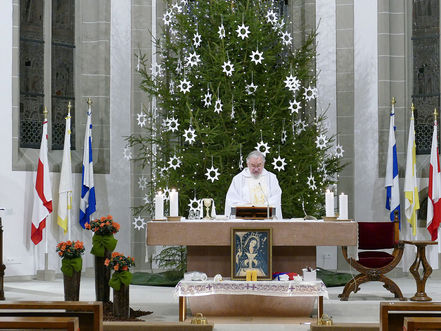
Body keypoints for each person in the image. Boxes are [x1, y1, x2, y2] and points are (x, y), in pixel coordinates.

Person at [225, 150, 282, 219]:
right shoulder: (238, 179)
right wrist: (248, 207)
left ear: (263, 164)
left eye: (259, 165)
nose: (256, 169)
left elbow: (276, 198)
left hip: (267, 219)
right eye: (253, 166)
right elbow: (232, 200)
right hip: (244, 219)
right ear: (247, 164)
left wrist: (262, 209)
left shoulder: (271, 178)